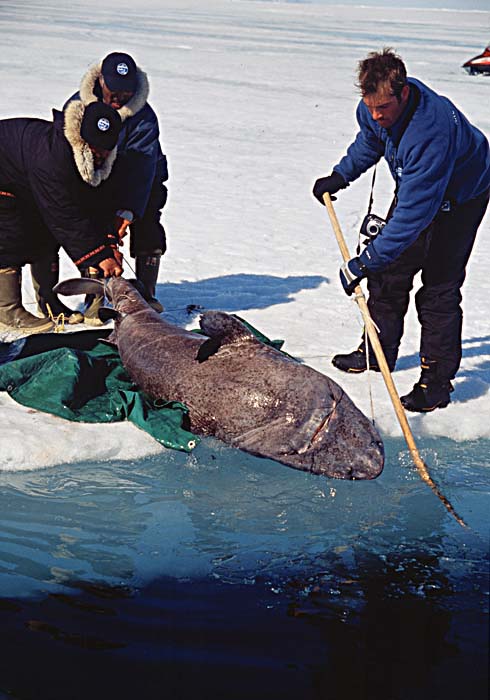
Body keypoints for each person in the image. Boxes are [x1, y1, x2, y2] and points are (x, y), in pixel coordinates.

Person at [313, 48, 490, 413]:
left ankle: (435, 383)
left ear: (404, 92)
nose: (376, 116)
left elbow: (411, 217)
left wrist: (362, 262)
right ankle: (377, 351)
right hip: (419, 189)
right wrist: (341, 175)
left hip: (461, 197)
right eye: (370, 107)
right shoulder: (375, 108)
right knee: (389, 272)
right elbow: (371, 140)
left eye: (384, 109)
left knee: (439, 289)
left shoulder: (430, 132)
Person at [62, 51, 168, 319]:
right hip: (96, 177)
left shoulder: (144, 118)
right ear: (101, 82)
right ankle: (94, 296)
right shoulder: (77, 106)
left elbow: (142, 167)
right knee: (92, 226)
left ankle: (147, 293)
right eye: (114, 90)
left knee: (148, 225)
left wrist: (128, 211)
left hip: (143, 178)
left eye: (126, 91)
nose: (119, 97)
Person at [0, 100, 123, 333]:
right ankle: (7, 311)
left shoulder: (98, 158)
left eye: (106, 149)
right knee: (9, 237)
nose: (101, 154)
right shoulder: (53, 158)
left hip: (23, 181)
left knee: (45, 235)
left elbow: (96, 202)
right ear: (82, 139)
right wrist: (98, 255)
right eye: (96, 148)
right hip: (3, 179)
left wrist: (107, 241)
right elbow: (64, 215)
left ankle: (47, 301)